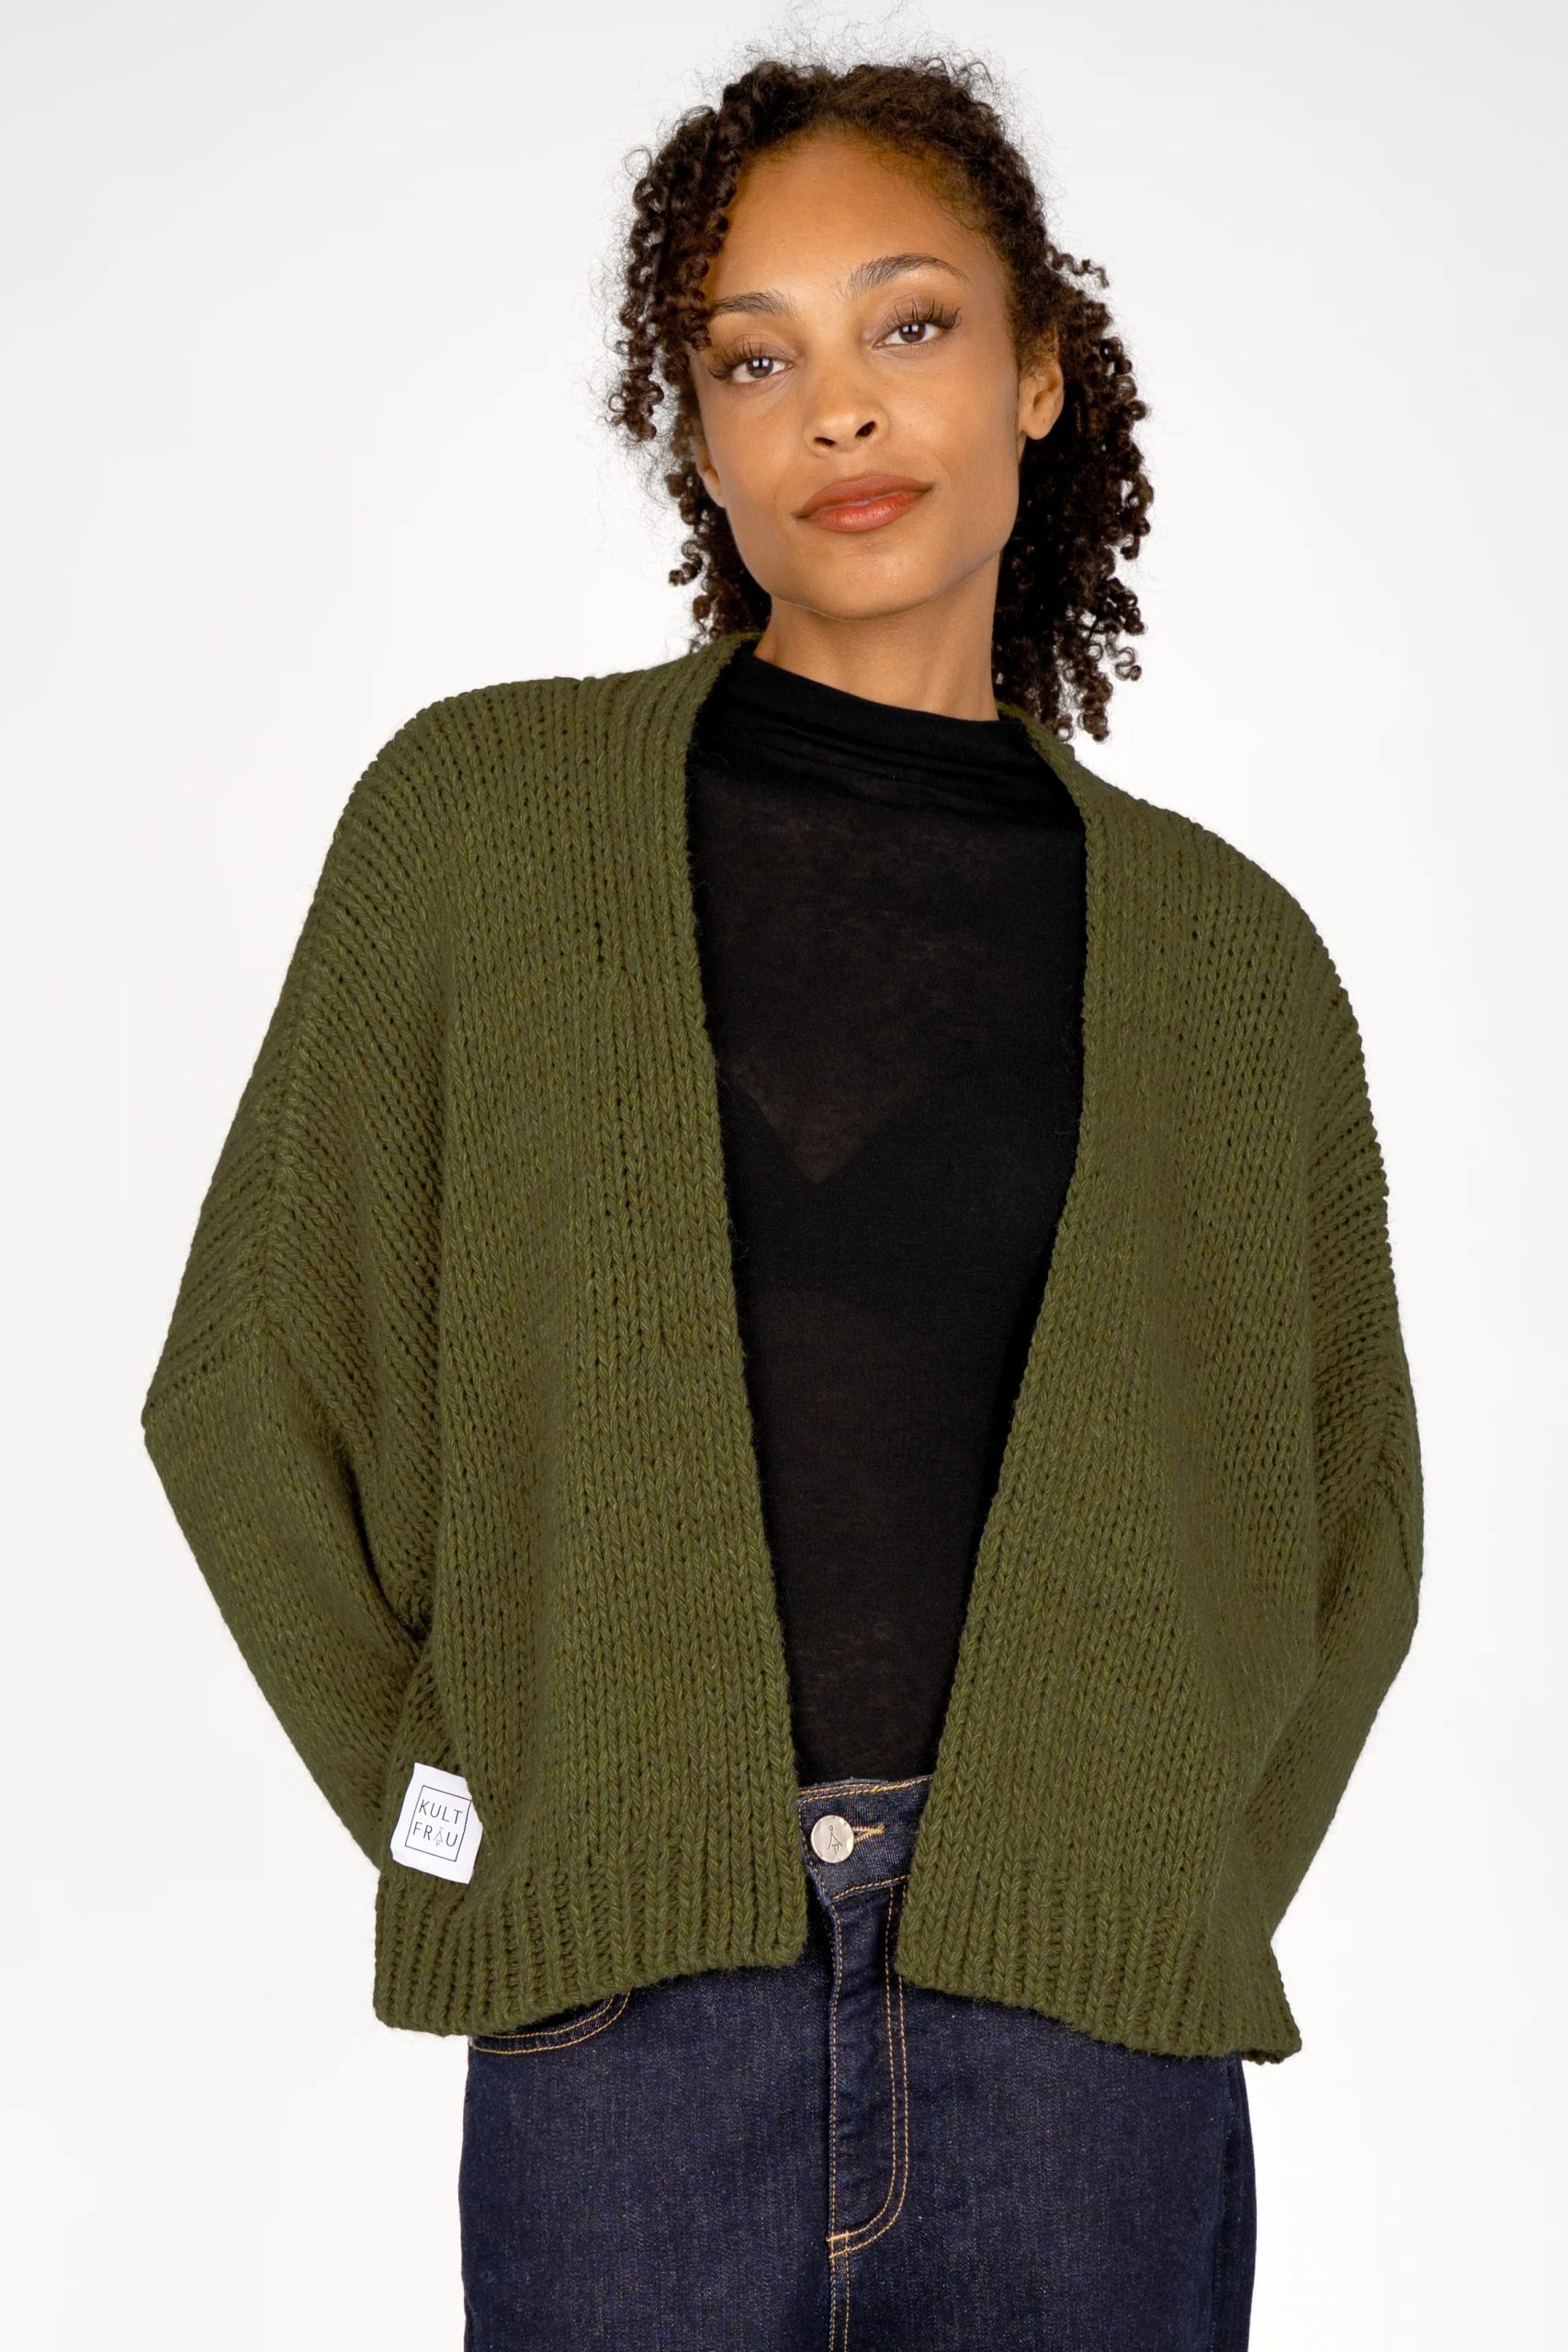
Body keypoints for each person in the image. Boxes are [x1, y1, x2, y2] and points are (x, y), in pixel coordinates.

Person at [141, 52, 1423, 2351]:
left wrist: (1153, 1879)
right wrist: (483, 1812)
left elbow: (1347, 1531)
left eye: (908, 325)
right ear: (701, 435)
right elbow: (245, 1380)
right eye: (754, 359)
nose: (837, 407)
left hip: (1087, 2064)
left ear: (1039, 371)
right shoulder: (482, 823)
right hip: (630, 2030)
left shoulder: (1232, 964)